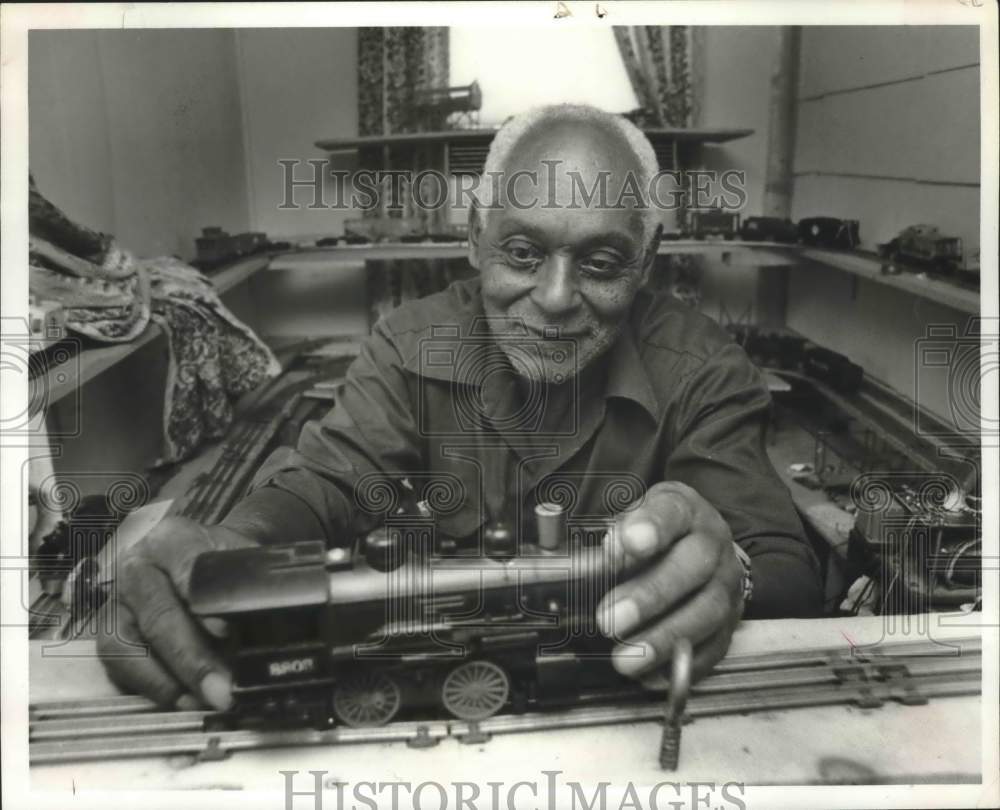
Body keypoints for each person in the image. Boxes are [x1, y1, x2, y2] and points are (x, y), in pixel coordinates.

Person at [98, 104, 821, 713]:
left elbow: (782, 566)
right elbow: (326, 485)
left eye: (601, 264)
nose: (557, 298)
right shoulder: (408, 344)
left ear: (648, 255)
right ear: (473, 236)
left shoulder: (704, 368)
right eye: (522, 253)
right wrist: (229, 550)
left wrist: (732, 574)